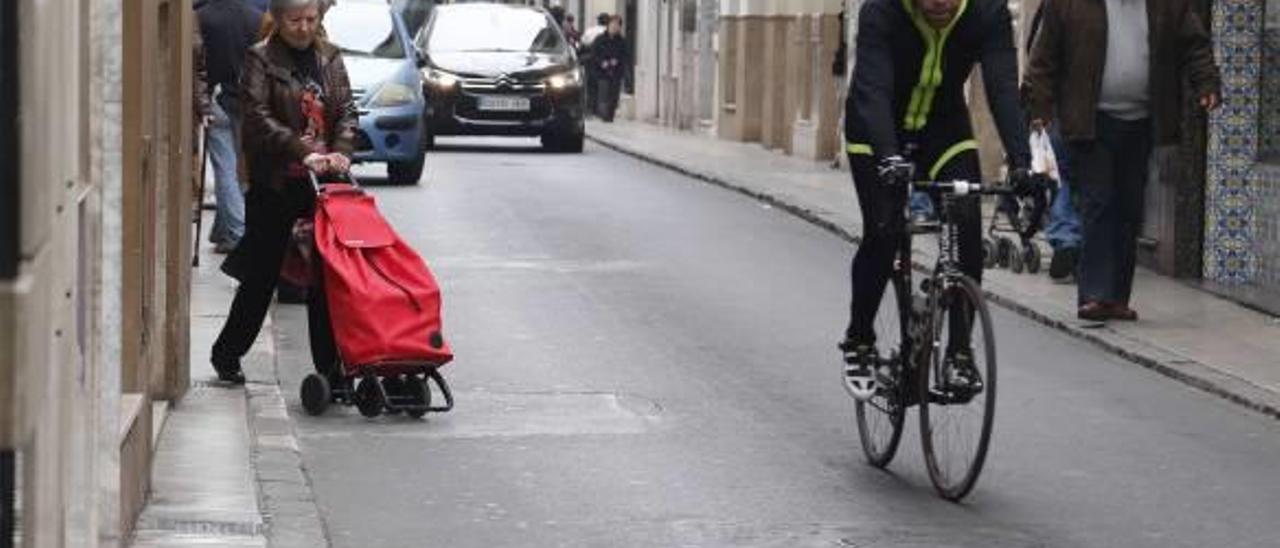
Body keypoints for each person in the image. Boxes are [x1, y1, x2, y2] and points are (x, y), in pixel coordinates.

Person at [839, 0, 1032, 398]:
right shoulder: (882, 11)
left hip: (942, 128)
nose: (940, 2)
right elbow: (873, 88)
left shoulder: (987, 13)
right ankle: (859, 341)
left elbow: (1002, 88)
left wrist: (1023, 162)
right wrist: (889, 156)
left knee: (965, 221)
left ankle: (959, 353)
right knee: (884, 229)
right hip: (876, 126)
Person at [1023, 0, 1220, 321]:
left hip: (1141, 122)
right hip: (1089, 121)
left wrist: (1207, 82)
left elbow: (1194, 45)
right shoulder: (1069, 5)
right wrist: (1040, 109)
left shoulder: (1168, 6)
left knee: (1129, 208)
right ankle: (1095, 295)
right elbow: (1043, 58)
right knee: (1098, 202)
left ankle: (1116, 297)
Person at [210, 0, 356, 384]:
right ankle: (227, 354)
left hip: (323, 184)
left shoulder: (330, 58)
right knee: (262, 274)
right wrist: (303, 151)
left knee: (326, 278)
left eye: (311, 19)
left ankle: (330, 369)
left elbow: (347, 112)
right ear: (277, 18)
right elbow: (257, 117)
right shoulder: (260, 59)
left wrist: (340, 152)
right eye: (295, 20)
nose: (304, 28)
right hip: (276, 181)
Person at [197, 0, 265, 254]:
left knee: (225, 167)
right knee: (241, 168)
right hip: (247, 100)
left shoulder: (202, 15)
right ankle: (224, 231)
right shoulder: (258, 15)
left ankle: (236, 232)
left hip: (217, 97)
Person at [1023, 1, 1081, 283]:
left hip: (1058, 108)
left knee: (1059, 176)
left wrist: (1038, 109)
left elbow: (1036, 58)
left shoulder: (1054, 9)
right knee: (1084, 179)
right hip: (1087, 110)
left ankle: (1066, 237)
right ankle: (1082, 243)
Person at [592, 16, 628, 123]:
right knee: (603, 93)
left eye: (617, 25)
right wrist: (602, 62)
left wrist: (617, 61)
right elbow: (594, 54)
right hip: (602, 71)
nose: (614, 27)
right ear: (608, 25)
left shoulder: (621, 41)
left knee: (614, 95)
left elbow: (625, 55)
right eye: (612, 24)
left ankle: (610, 115)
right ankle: (604, 115)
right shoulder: (599, 39)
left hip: (616, 71)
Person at [580, 13, 610, 115]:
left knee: (591, 84)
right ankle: (600, 109)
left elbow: (583, 43)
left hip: (590, 60)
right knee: (603, 84)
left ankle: (590, 108)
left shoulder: (590, 30)